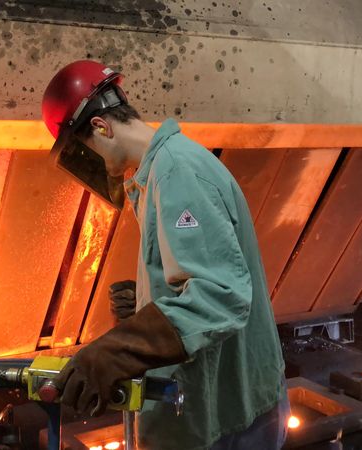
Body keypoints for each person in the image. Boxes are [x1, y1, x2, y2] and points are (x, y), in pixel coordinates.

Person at [41, 60, 289, 450]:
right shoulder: (163, 168)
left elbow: (220, 296)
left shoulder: (177, 173)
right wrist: (149, 307)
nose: (95, 165)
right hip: (232, 408)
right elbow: (200, 269)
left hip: (228, 421)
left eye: (87, 150)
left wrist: (120, 348)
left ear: (101, 127)